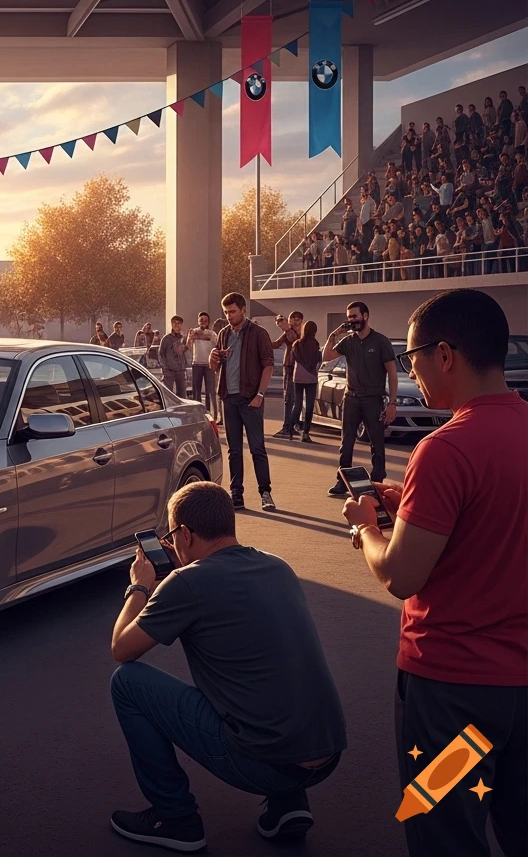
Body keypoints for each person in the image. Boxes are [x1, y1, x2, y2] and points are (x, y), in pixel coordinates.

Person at [342, 289, 526, 857]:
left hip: (452, 692)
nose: (411, 369)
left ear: (444, 354)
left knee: (443, 834)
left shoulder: (445, 448)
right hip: (519, 687)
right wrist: (416, 506)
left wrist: (368, 528)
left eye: (412, 354)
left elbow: (400, 575)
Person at [108, 482, 344, 852]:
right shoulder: (276, 565)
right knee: (267, 673)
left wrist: (140, 587)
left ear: (183, 533)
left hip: (266, 762)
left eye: (172, 534)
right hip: (327, 752)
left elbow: (122, 648)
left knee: (127, 683)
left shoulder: (185, 581)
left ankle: (176, 818)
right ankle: (288, 803)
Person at [210, 293, 276, 512]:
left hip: (251, 399)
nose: (229, 316)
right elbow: (217, 367)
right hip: (230, 399)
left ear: (243, 310)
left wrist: (260, 394)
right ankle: (236, 493)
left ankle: (265, 492)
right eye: (226, 312)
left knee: (257, 449)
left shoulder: (259, 334)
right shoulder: (223, 334)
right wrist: (214, 359)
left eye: (233, 311)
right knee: (234, 450)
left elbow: (268, 365)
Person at [323, 302, 398, 495]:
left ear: (365, 316)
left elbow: (392, 373)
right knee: (346, 443)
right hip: (351, 398)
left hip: (373, 399)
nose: (351, 321)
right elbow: (327, 356)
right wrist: (333, 336)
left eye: (354, 317)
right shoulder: (348, 341)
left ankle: (377, 483)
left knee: (377, 443)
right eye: (349, 317)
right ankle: (342, 482)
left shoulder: (380, 341)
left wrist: (392, 403)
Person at [270, 311, 304, 438]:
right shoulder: (288, 332)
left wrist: (287, 328)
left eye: (297, 319)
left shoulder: (302, 332)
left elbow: (296, 341)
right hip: (289, 365)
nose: (294, 322)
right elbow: (276, 344)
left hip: (297, 366)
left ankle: (288, 427)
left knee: (293, 398)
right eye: (292, 319)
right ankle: (289, 425)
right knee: (289, 398)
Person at [289, 321, 321, 443]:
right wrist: (311, 369)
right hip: (311, 377)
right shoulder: (315, 344)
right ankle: (306, 433)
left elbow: (295, 358)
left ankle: (292, 428)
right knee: (309, 405)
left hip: (298, 376)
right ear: (314, 331)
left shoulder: (296, 344)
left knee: (297, 403)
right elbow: (318, 359)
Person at [186, 312, 217, 422]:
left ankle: (210, 414)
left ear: (208, 322)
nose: (203, 322)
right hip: (197, 364)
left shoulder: (212, 333)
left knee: (210, 391)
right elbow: (188, 346)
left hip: (209, 365)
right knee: (196, 391)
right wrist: (190, 337)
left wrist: (198, 336)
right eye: (201, 320)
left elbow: (210, 339)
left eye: (205, 320)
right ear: (198, 321)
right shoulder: (193, 332)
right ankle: (197, 415)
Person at [158, 316, 187, 397]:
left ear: (181, 325)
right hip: (169, 371)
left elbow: (184, 352)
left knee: (182, 394)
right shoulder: (166, 339)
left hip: (180, 370)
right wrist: (165, 368)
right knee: (168, 394)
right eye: (174, 323)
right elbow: (161, 354)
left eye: (179, 323)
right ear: (172, 324)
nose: (177, 326)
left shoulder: (183, 338)